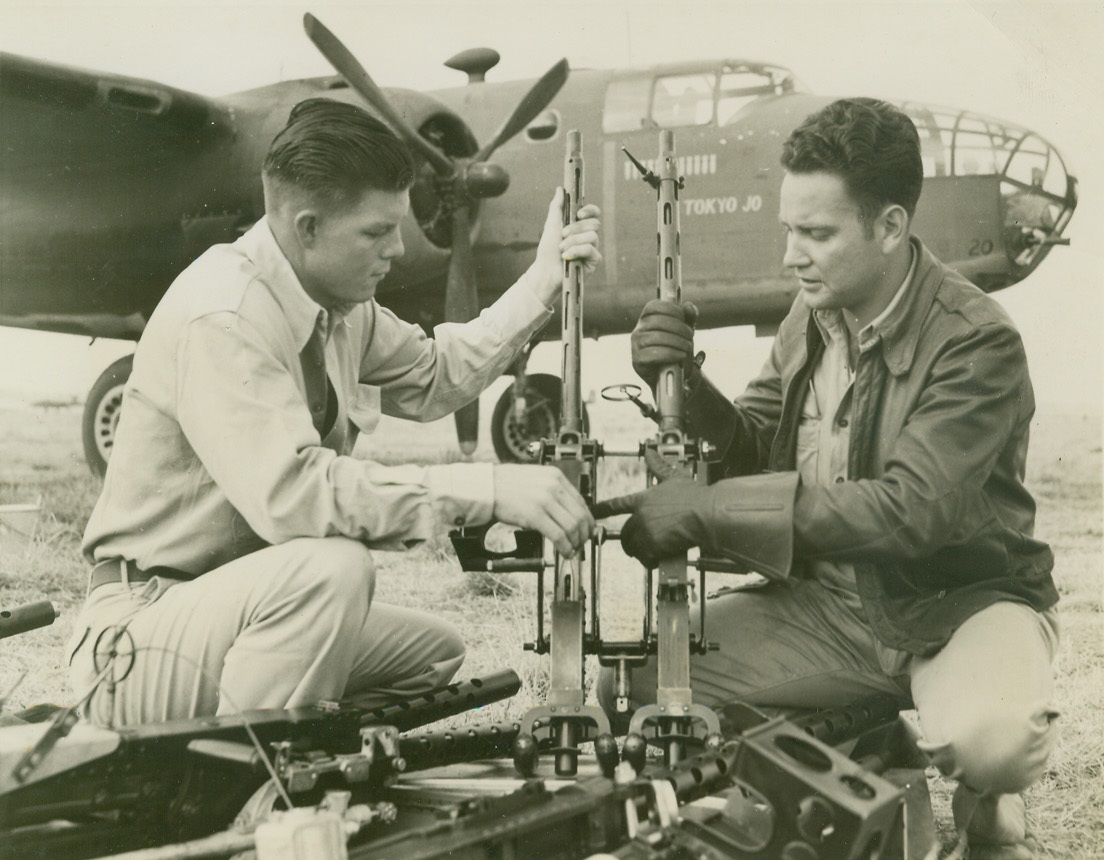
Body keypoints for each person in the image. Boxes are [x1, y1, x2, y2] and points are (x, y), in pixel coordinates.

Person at [605, 98, 1058, 859]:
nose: (791, 256)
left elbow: (910, 513)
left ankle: (988, 799)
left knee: (993, 741)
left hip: (953, 607)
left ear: (889, 226)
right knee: (652, 690)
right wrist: (683, 384)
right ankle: (880, 745)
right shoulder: (811, 317)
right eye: (789, 230)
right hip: (828, 610)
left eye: (816, 234)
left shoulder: (976, 341)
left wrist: (708, 513)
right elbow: (754, 448)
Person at [66, 98, 601, 728]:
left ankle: (296, 757)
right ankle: (238, 789)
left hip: (233, 615)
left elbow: (437, 375)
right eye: (376, 232)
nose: (398, 250)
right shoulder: (226, 314)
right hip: (136, 637)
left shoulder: (338, 306)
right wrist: (484, 488)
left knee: (432, 655)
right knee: (334, 569)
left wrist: (543, 279)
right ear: (307, 226)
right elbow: (292, 494)